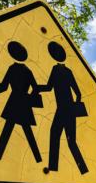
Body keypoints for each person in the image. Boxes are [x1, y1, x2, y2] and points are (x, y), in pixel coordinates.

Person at [38, 41, 88, 174]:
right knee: (69, 141)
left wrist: (37, 88)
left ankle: (55, 168)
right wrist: (75, 106)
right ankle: (82, 169)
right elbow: (78, 93)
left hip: (62, 110)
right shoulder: (67, 71)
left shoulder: (56, 69)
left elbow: (49, 87)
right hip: (68, 110)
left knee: (57, 135)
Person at [0, 41, 42, 163]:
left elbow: (4, 86)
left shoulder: (12, 68)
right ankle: (38, 159)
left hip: (14, 102)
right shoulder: (28, 71)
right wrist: (29, 98)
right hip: (24, 103)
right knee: (27, 131)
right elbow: (36, 88)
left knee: (8, 130)